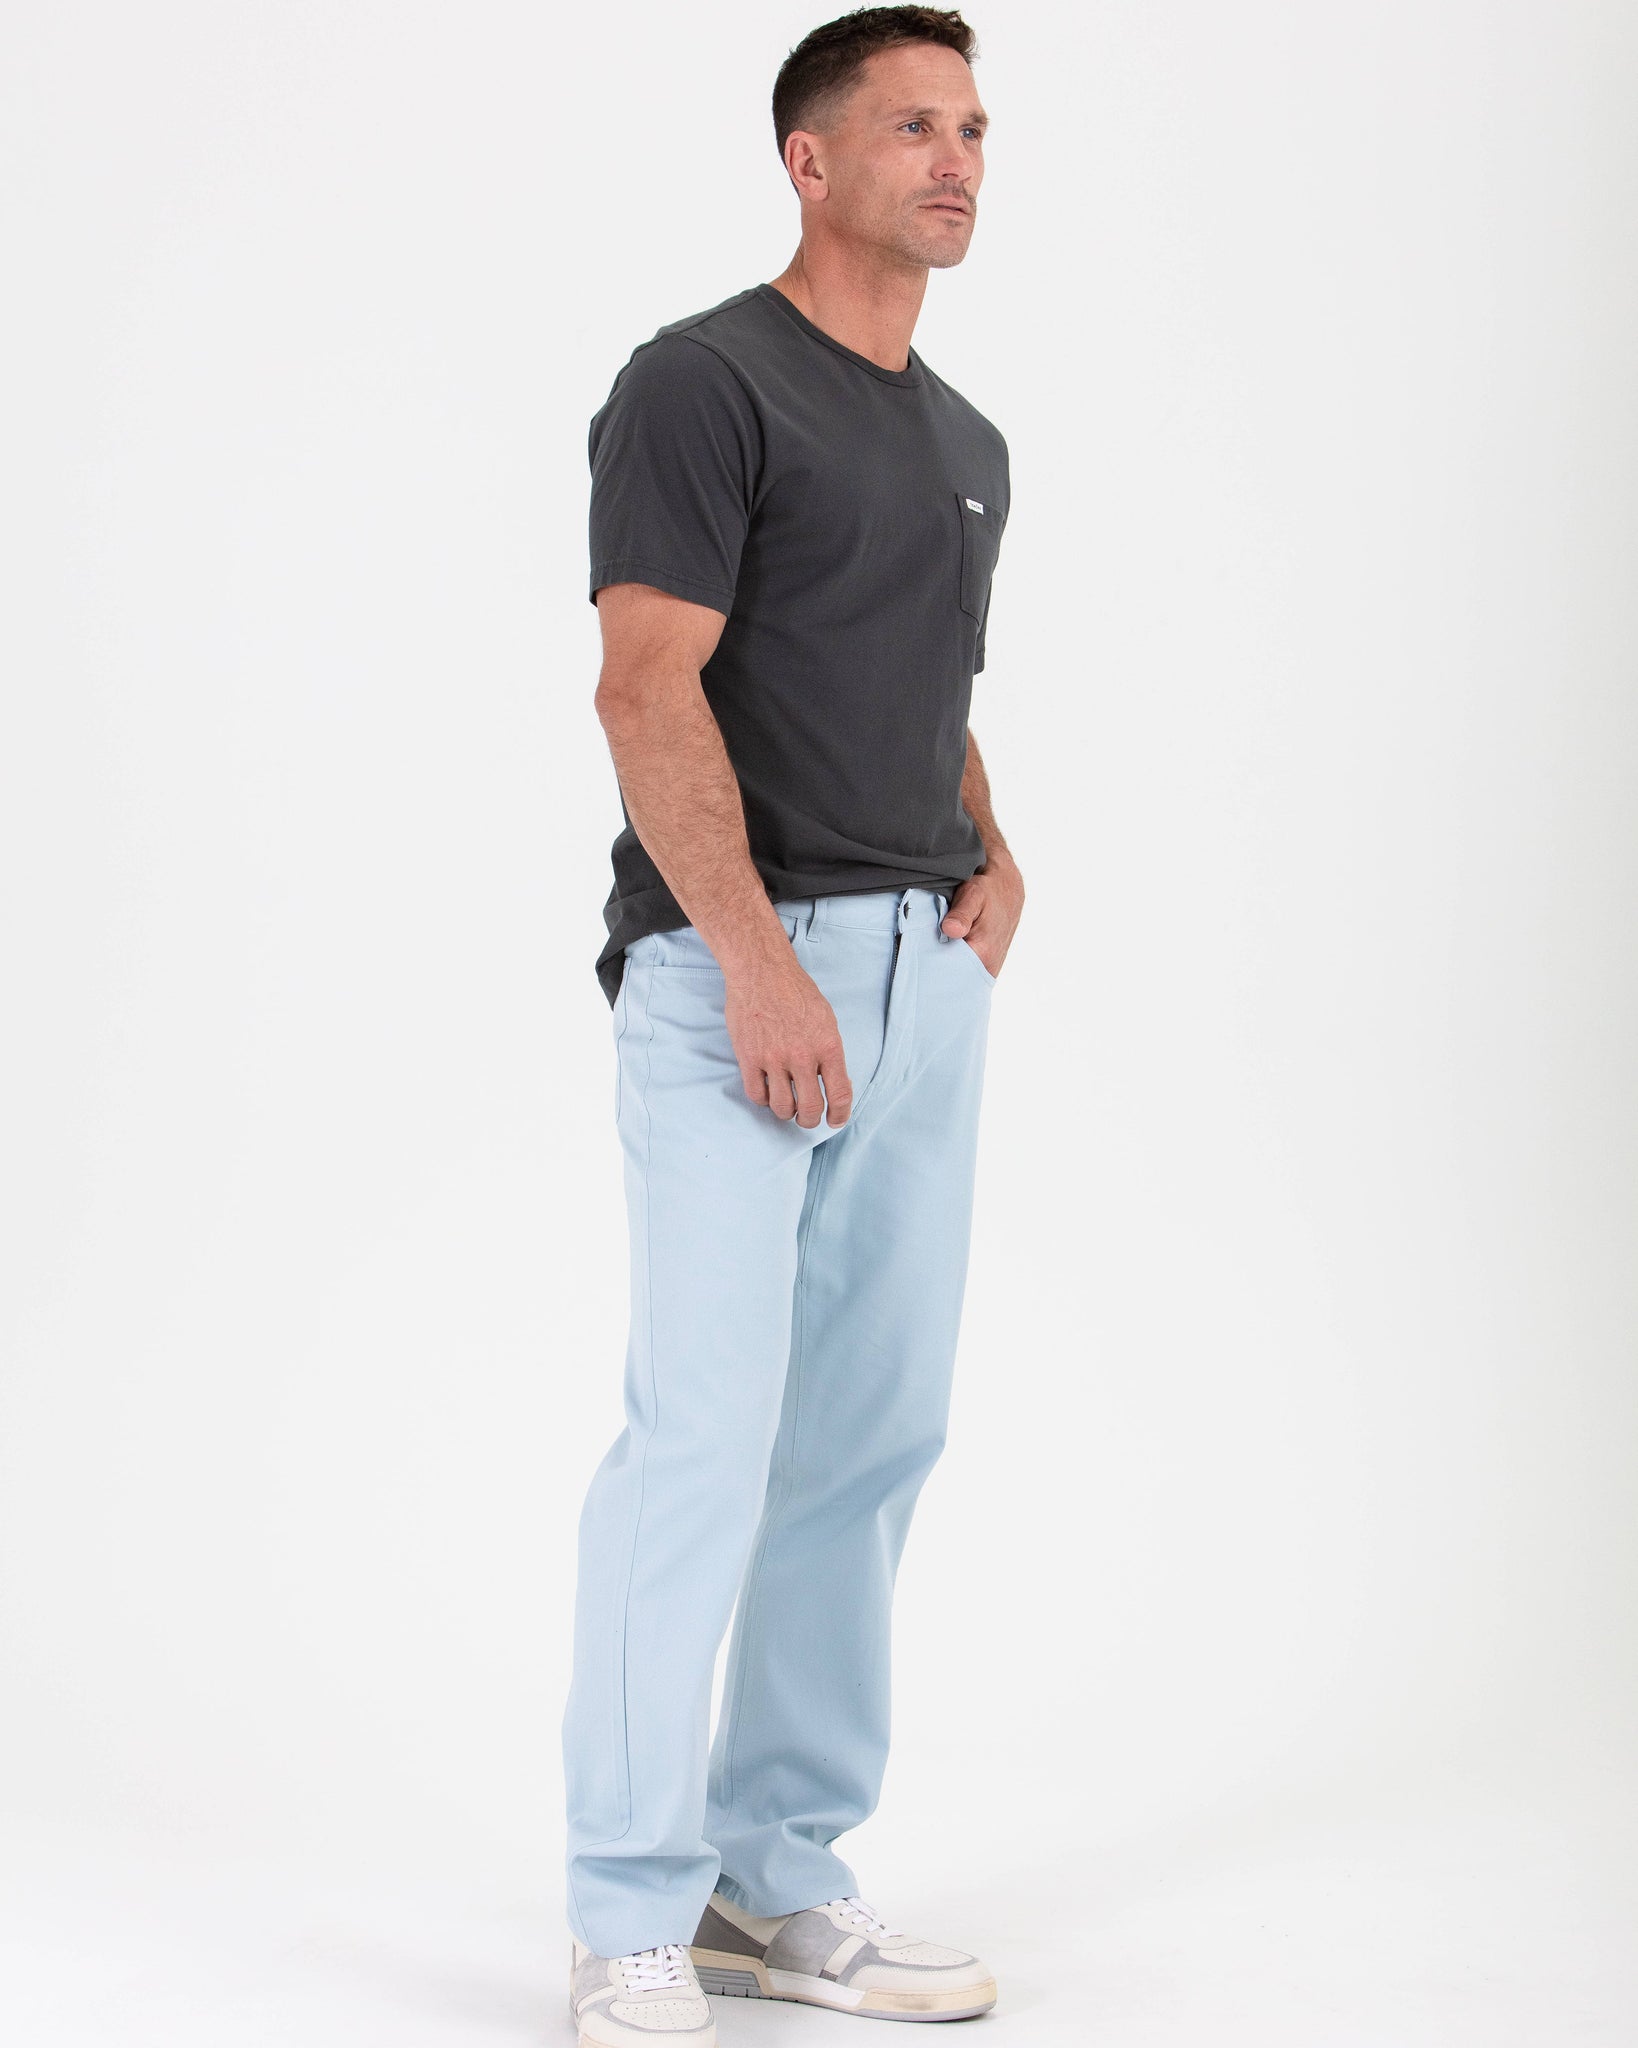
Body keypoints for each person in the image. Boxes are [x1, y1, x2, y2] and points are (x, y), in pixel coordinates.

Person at [560, 10, 1021, 2043]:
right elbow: (647, 683)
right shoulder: (704, 382)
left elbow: (917, 684)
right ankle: (626, 1912)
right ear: (809, 161)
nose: (957, 157)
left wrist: (994, 844)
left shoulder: (966, 441)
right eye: (912, 124)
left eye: (974, 126)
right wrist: (753, 959)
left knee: (869, 1438)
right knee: (703, 1439)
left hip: (923, 976)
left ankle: (778, 1872)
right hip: (734, 977)